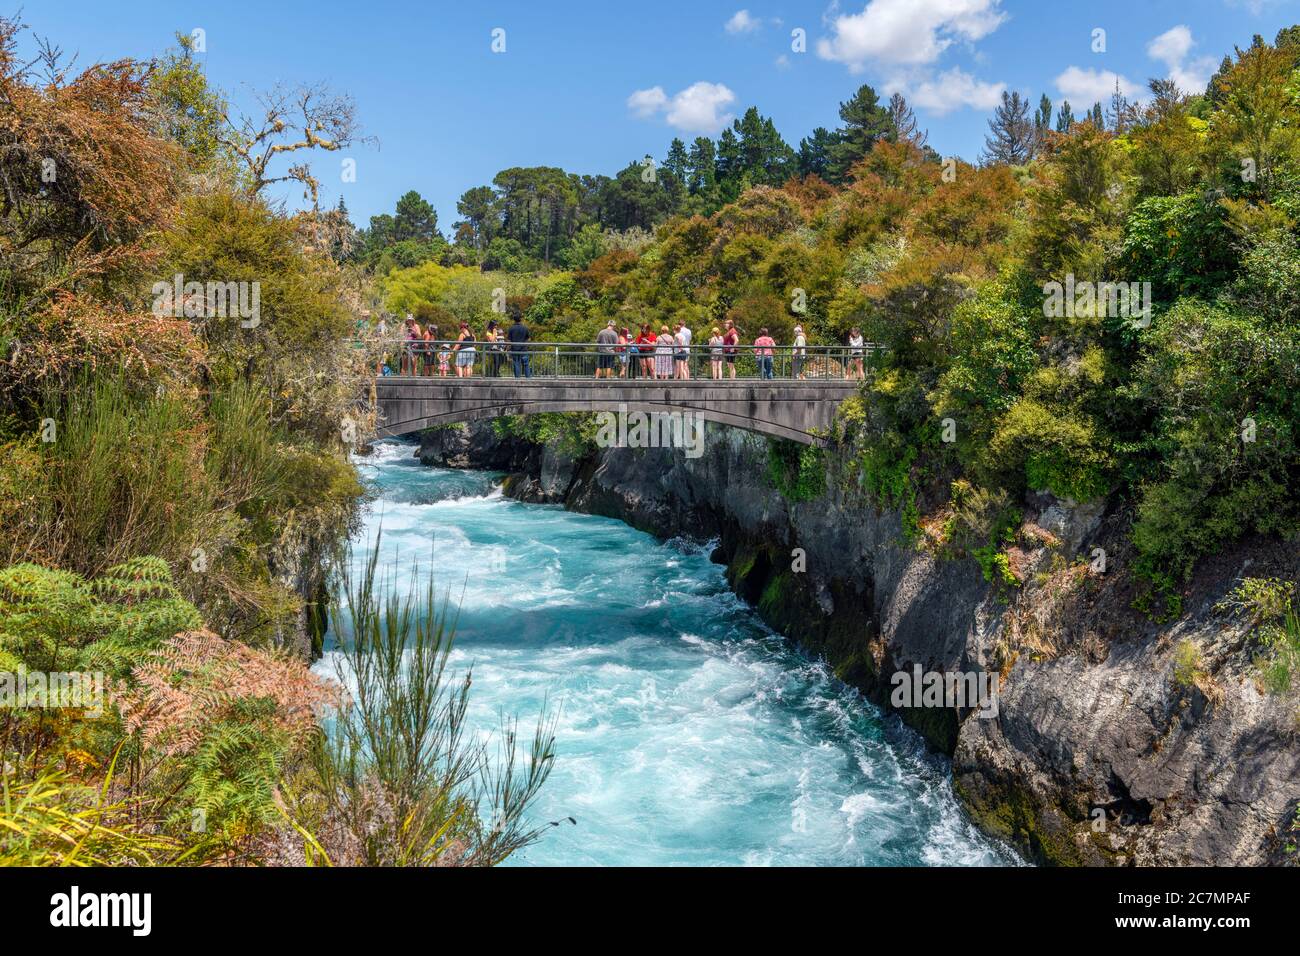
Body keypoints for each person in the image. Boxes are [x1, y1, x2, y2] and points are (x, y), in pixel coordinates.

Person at [507, 314, 531, 378]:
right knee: (526, 364)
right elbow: (528, 338)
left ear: (514, 320)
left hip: (514, 349)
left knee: (516, 364)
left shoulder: (511, 328)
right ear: (520, 319)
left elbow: (509, 340)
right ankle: (528, 378)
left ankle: (517, 379)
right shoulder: (525, 328)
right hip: (524, 349)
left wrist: (508, 349)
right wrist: (525, 344)